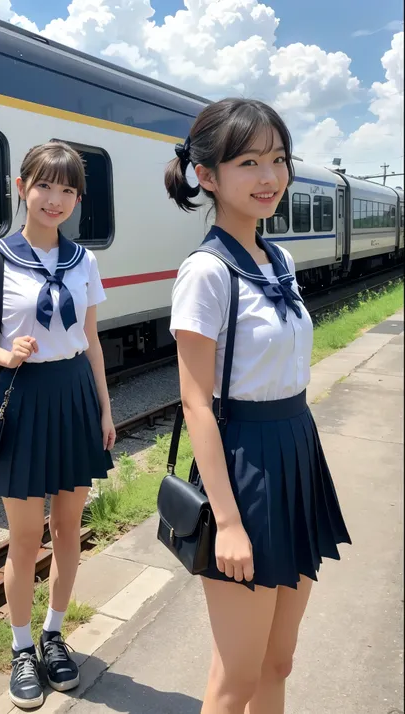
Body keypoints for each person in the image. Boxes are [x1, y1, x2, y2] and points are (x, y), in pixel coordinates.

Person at [165, 98, 351, 714]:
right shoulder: (207, 272)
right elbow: (195, 400)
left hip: (296, 450)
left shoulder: (280, 260)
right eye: (249, 161)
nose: (270, 176)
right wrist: (231, 522)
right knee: (235, 680)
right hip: (243, 467)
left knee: (278, 662)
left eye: (278, 158)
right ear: (207, 175)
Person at [0, 141, 116, 710]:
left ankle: (55, 635)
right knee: (26, 538)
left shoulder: (85, 261)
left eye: (68, 190)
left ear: (77, 198)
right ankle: (21, 646)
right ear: (21, 186)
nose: (56, 199)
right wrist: (5, 355)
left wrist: (104, 408)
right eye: (45, 185)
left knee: (69, 530)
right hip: (21, 397)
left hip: (74, 395)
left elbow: (92, 340)